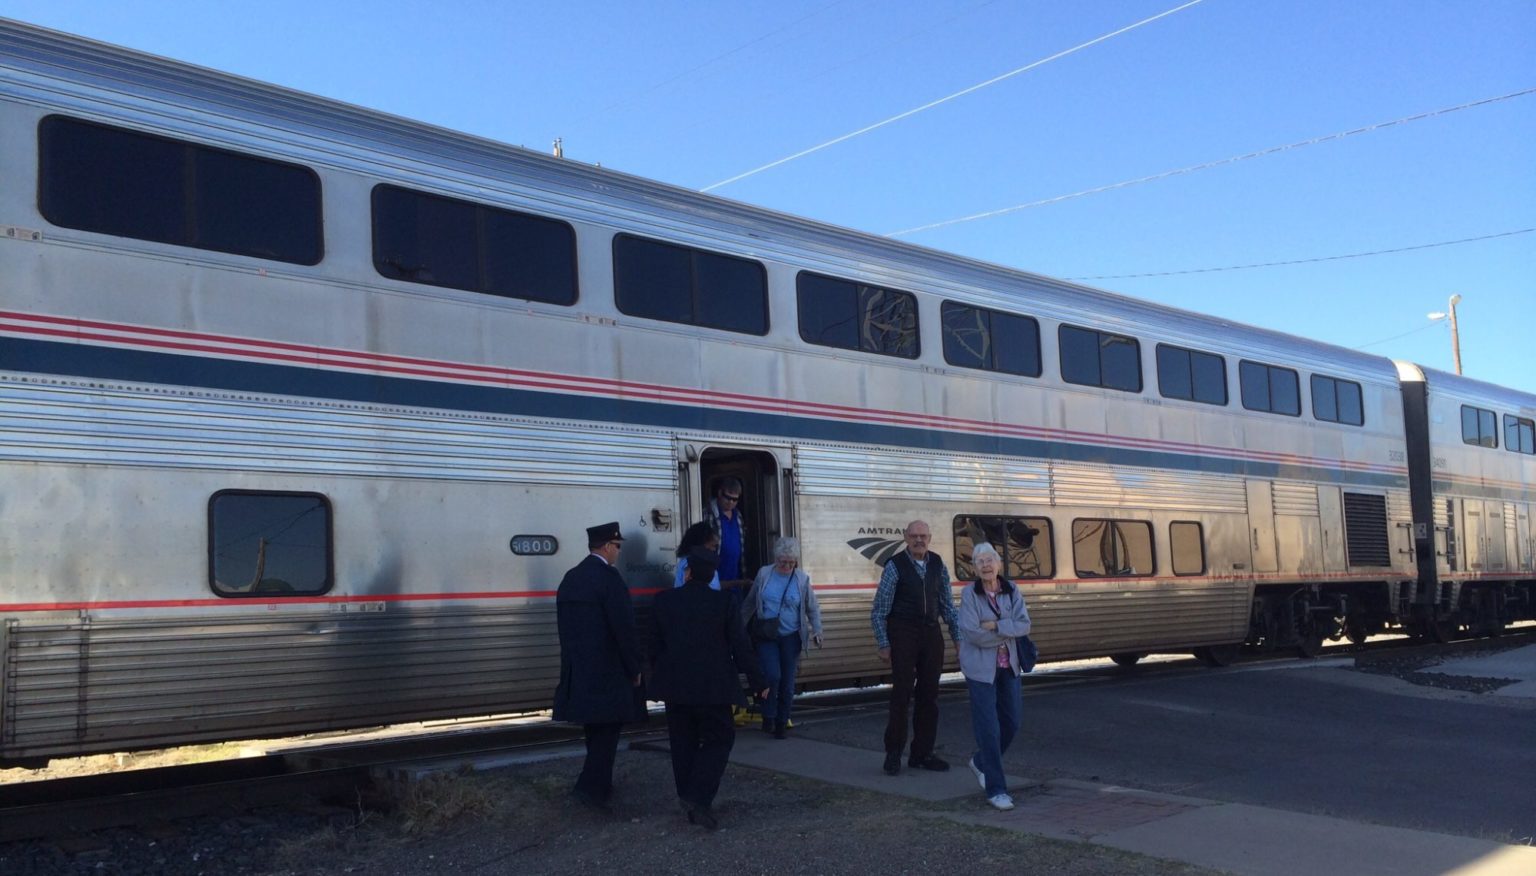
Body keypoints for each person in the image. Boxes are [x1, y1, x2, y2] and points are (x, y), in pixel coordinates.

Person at [650, 547, 768, 830]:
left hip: (676, 686)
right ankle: (698, 797)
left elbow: (654, 646)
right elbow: (740, 646)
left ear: (688, 573)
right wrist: (758, 681)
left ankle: (687, 795)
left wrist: (657, 675)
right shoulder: (724, 603)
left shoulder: (664, 601)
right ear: (712, 575)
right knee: (719, 739)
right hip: (713, 687)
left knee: (682, 742)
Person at [552, 521, 645, 812]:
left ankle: (600, 785)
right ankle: (590, 789)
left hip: (580, 669)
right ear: (606, 546)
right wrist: (635, 667)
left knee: (594, 731)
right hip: (609, 670)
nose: (618, 552)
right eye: (617, 546)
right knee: (607, 733)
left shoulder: (571, 577)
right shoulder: (610, 579)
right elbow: (624, 629)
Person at [870, 519, 959, 776]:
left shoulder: (938, 564)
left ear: (930, 538)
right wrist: (883, 643)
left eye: (923, 535)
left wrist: (957, 639)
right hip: (903, 633)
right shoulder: (894, 566)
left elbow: (947, 605)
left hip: (931, 634)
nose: (919, 540)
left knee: (929, 696)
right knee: (901, 694)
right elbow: (879, 610)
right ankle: (894, 753)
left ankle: (922, 753)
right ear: (906, 538)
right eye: (914, 536)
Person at [957, 542, 1032, 811]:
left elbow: (1024, 625)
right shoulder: (969, 595)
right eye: (980, 562)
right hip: (979, 671)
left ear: (999, 564)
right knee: (989, 729)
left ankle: (980, 762)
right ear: (974, 568)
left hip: (1008, 666)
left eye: (990, 560)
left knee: (1011, 723)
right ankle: (996, 789)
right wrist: (1005, 632)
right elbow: (971, 633)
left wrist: (996, 626)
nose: (986, 565)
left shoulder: (1012, 591)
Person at [742, 537, 823, 738]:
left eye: (791, 562)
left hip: (791, 636)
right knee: (772, 675)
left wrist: (817, 630)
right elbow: (751, 602)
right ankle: (768, 714)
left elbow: (812, 607)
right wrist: (738, 627)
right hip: (766, 634)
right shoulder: (764, 574)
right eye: (783, 561)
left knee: (787, 682)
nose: (787, 566)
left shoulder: (802, 579)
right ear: (776, 559)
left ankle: (781, 721)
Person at [703, 476, 747, 582]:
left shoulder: (738, 515)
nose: (731, 502)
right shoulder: (706, 513)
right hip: (714, 576)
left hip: (735, 577)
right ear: (719, 493)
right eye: (727, 497)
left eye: (735, 499)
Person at [673, 521, 722, 591]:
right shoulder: (691, 563)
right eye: (712, 546)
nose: (714, 549)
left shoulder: (695, 562)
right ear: (700, 543)